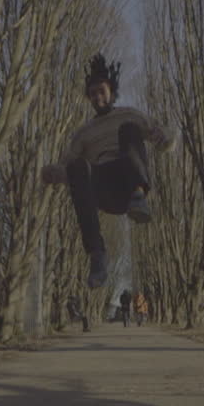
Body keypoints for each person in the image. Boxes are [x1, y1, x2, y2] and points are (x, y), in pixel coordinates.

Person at [42, 53, 175, 288]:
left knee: (128, 130)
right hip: (104, 188)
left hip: (128, 177)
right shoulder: (83, 133)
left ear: (111, 92)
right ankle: (97, 254)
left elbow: (160, 137)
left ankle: (138, 195)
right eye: (93, 94)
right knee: (78, 165)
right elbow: (68, 169)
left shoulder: (129, 114)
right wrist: (52, 173)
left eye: (101, 92)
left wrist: (165, 138)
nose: (97, 98)